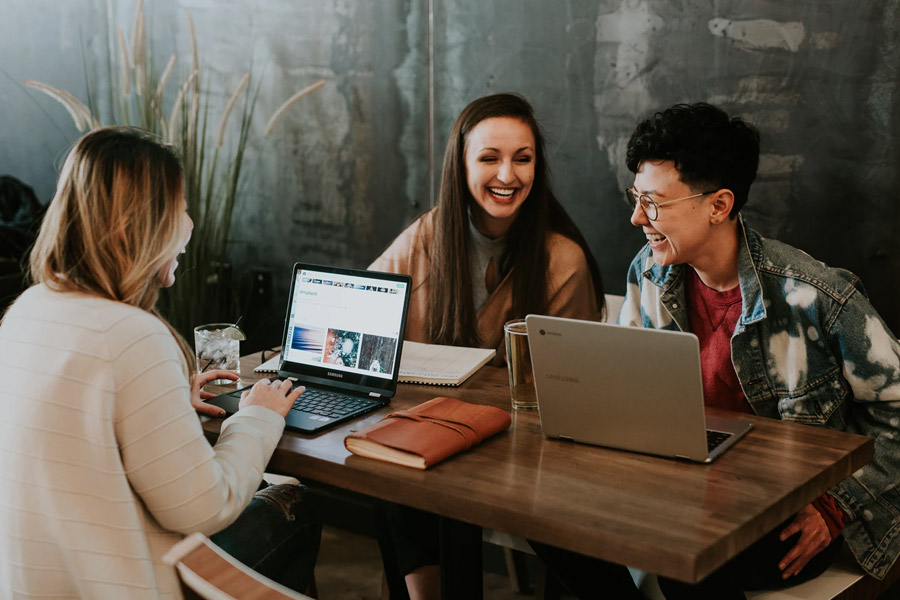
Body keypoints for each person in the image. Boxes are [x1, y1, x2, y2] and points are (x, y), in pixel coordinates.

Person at [532, 102, 900, 599]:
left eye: (654, 202)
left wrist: (836, 505)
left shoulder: (816, 297)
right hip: (683, 487)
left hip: (783, 509)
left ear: (719, 206)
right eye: (635, 198)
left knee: (689, 554)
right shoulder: (649, 271)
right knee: (547, 520)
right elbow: (629, 398)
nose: (638, 217)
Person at [0, 127, 320, 598]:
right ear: (139, 224)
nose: (190, 224)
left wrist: (167, 395)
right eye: (181, 207)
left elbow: (73, 435)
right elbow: (204, 507)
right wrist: (257, 417)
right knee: (296, 502)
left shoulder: (27, 310)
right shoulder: (133, 335)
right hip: (120, 585)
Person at [370, 93, 605, 599]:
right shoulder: (430, 234)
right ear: (461, 164)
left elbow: (570, 392)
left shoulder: (562, 260)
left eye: (523, 158)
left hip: (522, 454)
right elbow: (368, 310)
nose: (508, 174)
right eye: (489, 158)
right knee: (388, 464)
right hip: (432, 434)